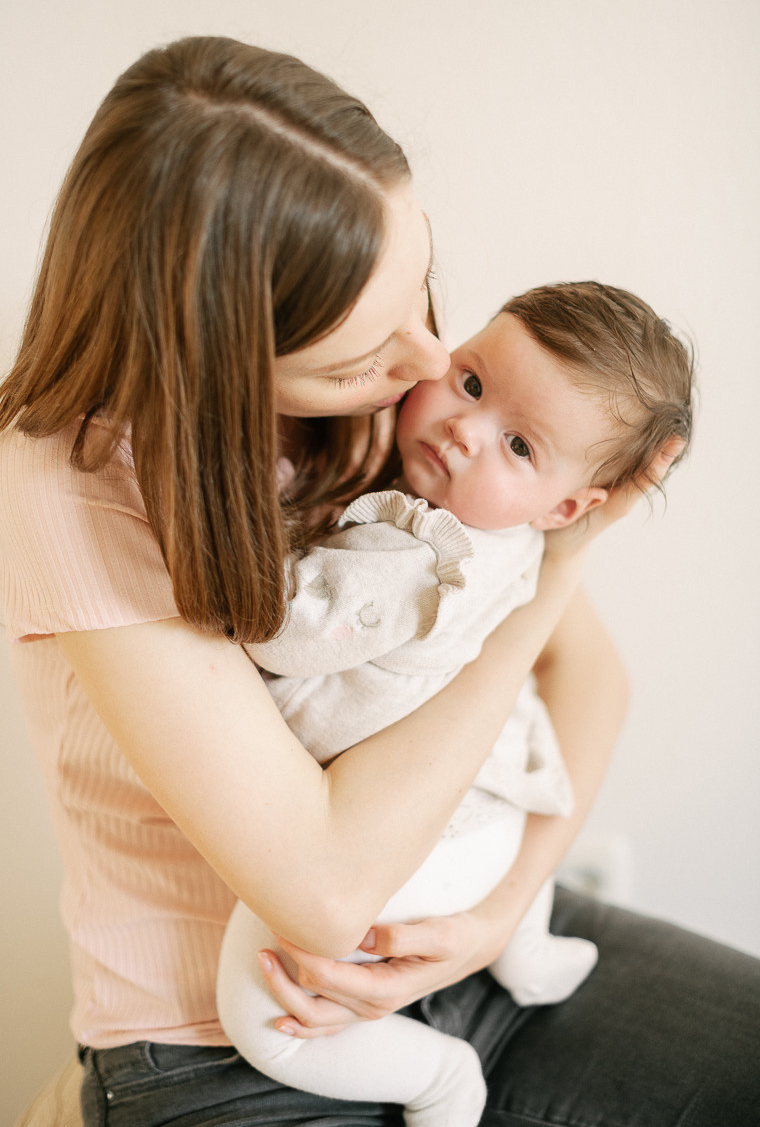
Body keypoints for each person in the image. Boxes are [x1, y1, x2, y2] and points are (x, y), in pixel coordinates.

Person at [0, 36, 759, 1127]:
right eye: (357, 361)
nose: (428, 370)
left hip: (464, 939)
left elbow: (593, 681)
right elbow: (325, 891)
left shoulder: (420, 397)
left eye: (422, 294)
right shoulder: (73, 481)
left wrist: (497, 914)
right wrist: (552, 567)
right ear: (215, 358)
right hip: (241, 1034)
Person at [216, 282, 694, 1125]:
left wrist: (249, 537)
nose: (464, 428)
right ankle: (528, 946)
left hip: (419, 857)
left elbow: (279, 634)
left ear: (570, 508)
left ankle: (439, 1080)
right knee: (508, 724)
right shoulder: (516, 536)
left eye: (517, 444)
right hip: (497, 818)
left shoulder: (415, 549)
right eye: (472, 382)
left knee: (263, 1016)